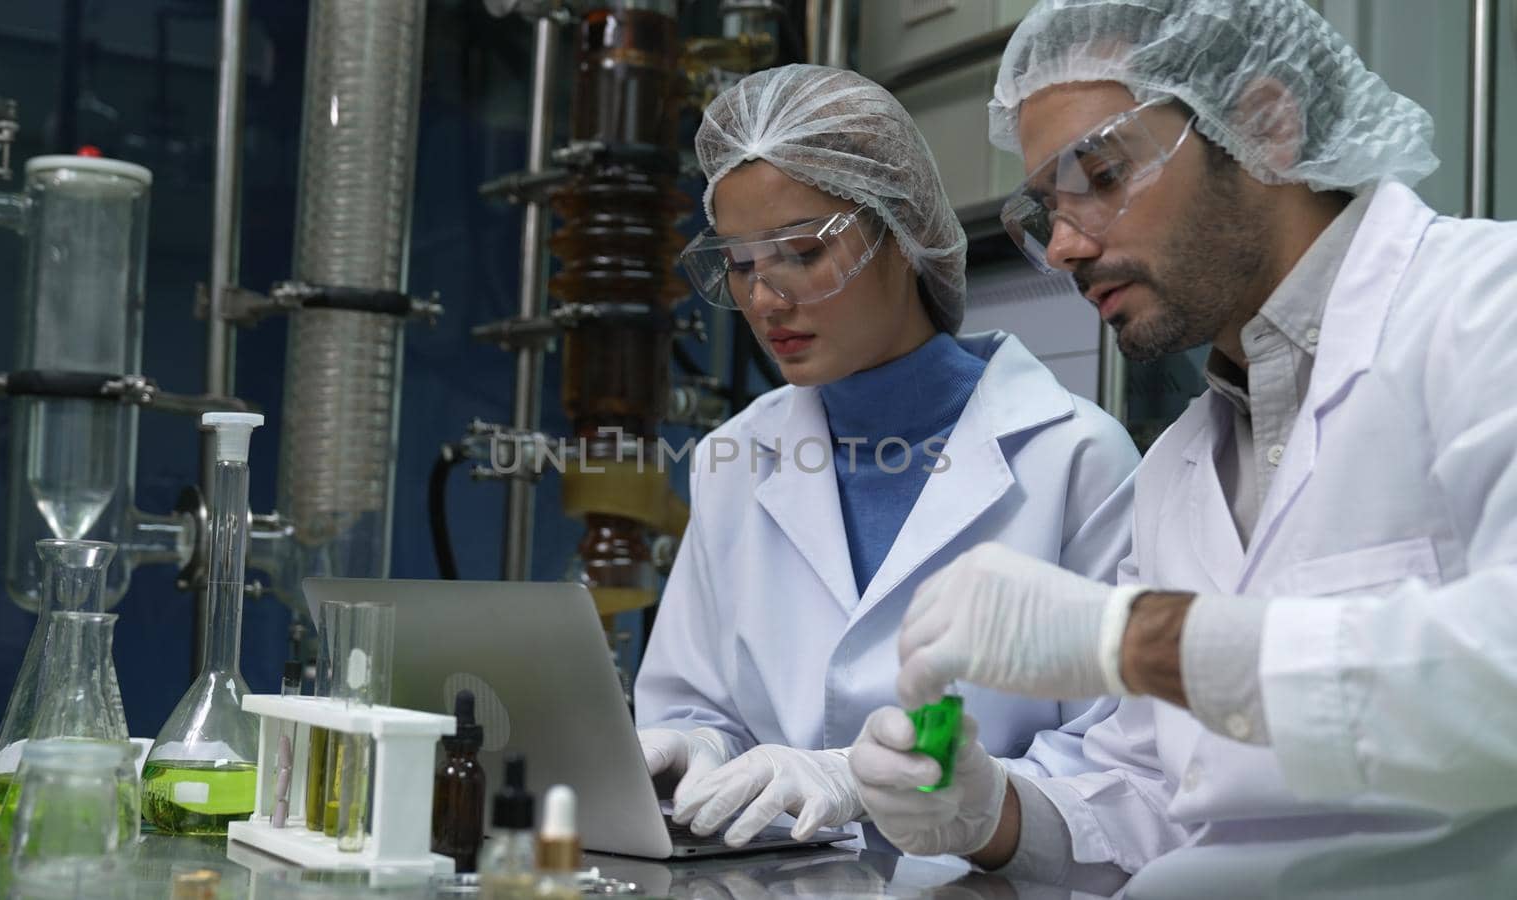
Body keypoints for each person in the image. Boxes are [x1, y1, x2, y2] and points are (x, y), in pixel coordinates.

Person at [849, 0, 1517, 894]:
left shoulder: (1487, 309)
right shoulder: (1179, 468)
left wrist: (1142, 640)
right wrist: (991, 814)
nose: (1066, 245)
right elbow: (1165, 794)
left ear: (1267, 128)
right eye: (1046, 205)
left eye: (1101, 172)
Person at [633, 64, 1140, 850]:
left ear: (901, 234)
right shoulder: (735, 457)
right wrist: (692, 746)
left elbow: (1115, 773)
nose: (766, 300)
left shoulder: (1075, 457)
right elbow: (698, 706)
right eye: (739, 264)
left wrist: (887, 788)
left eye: (799, 251)